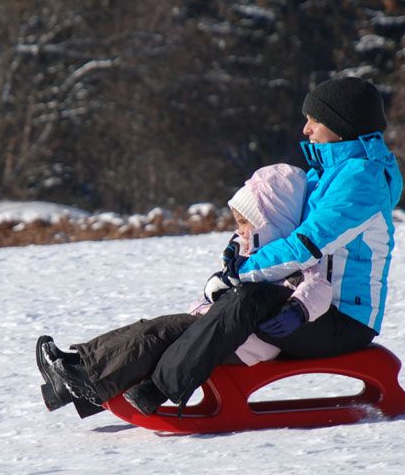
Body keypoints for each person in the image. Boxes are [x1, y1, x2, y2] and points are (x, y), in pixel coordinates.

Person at [41, 75, 403, 415]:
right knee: (189, 325)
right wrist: (238, 246)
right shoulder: (324, 175)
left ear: (342, 125)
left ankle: (155, 387)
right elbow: (273, 223)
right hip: (299, 300)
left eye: (315, 121)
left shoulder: (362, 181)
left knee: (245, 300)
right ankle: (81, 373)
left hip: (340, 320)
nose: (305, 130)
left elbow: (305, 245)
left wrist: (240, 274)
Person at [36, 163, 331, 417]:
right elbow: (223, 290)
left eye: (245, 223)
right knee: (153, 329)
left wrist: (297, 310)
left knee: (160, 334)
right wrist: (212, 292)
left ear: (273, 220)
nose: (240, 230)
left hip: (243, 340)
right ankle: (73, 373)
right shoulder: (248, 253)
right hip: (217, 329)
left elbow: (318, 287)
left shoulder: (294, 258)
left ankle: (87, 377)